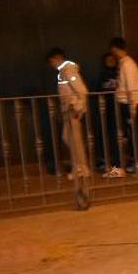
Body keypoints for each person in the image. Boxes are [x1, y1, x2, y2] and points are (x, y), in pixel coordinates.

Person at [110, 37, 138, 176]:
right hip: (129, 103)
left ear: (115, 49)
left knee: (137, 134)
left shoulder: (127, 64)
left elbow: (131, 87)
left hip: (130, 104)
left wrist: (132, 108)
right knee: (133, 135)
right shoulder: (126, 63)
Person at [47, 48, 89, 179]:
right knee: (69, 138)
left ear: (56, 58)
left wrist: (77, 107)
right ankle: (80, 167)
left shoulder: (68, 70)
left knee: (74, 139)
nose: (51, 65)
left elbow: (82, 90)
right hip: (69, 109)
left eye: (51, 61)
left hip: (72, 110)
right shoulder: (64, 71)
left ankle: (81, 168)